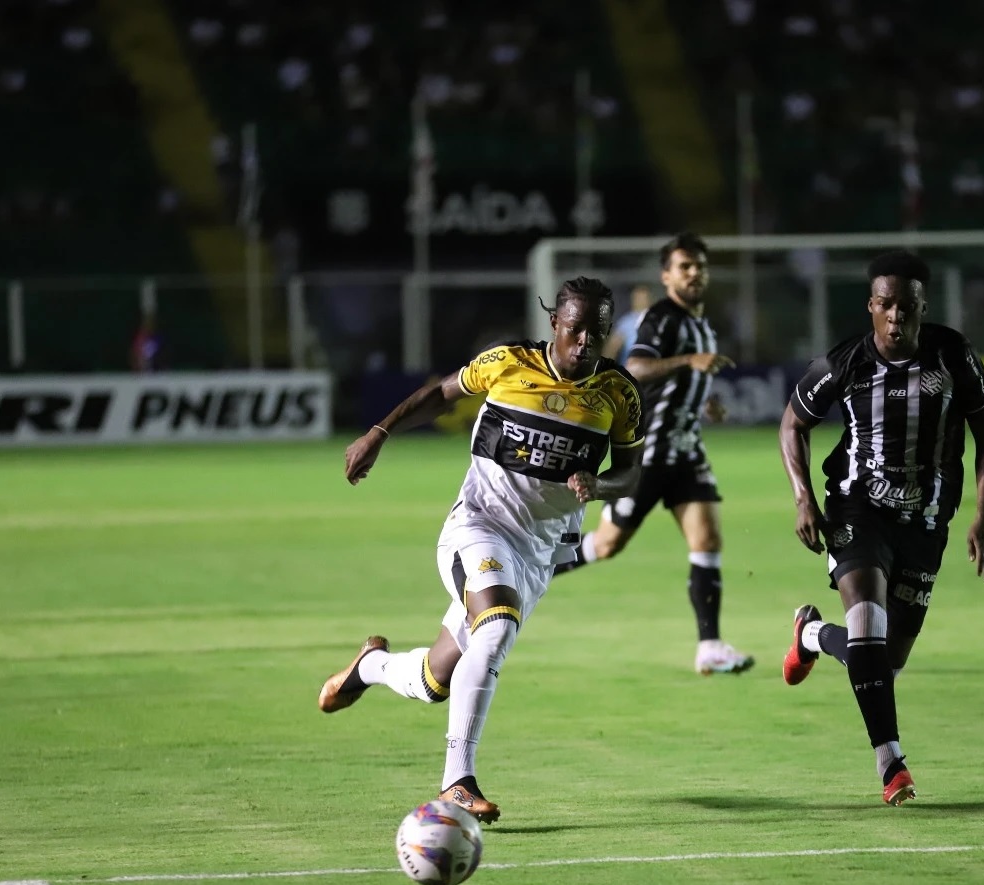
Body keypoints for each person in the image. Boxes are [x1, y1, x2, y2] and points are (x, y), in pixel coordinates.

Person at [316, 277, 644, 824]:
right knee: (494, 627)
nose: (585, 340)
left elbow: (633, 471)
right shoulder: (508, 363)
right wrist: (379, 432)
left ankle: (370, 666)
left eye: (597, 331)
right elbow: (440, 395)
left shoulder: (619, 392)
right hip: (477, 525)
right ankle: (456, 783)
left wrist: (601, 483)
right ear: (555, 325)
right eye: (575, 328)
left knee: (435, 680)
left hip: (537, 553)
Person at [778, 251, 984, 806]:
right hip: (857, 511)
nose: (896, 316)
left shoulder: (952, 355)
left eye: (907, 306)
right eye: (885, 305)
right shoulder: (846, 362)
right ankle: (891, 764)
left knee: (885, 659)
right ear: (871, 307)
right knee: (869, 630)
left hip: (926, 521)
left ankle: (810, 635)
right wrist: (805, 497)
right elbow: (793, 423)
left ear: (923, 308)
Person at [555, 232, 754, 676]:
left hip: (686, 454)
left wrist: (702, 400)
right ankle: (531, 571)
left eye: (699, 265)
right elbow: (636, 368)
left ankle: (710, 646)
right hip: (649, 457)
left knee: (707, 541)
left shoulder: (701, 323)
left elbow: (677, 381)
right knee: (606, 546)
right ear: (667, 275)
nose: (694, 273)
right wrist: (689, 364)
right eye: (684, 266)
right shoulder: (662, 318)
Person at [603, 283, 653, 365]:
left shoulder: (658, 318)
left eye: (643, 298)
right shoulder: (626, 322)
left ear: (650, 299)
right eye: (638, 298)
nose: (640, 301)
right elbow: (612, 348)